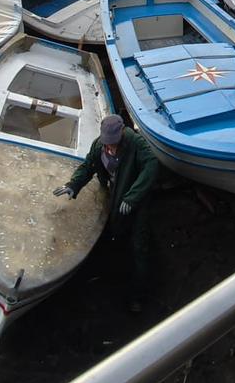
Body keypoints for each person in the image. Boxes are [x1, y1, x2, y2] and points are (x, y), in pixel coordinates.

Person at [53, 114, 158, 312]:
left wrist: (133, 197)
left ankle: (138, 294)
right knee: (115, 233)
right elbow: (88, 166)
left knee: (139, 245)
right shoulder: (98, 145)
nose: (109, 148)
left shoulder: (135, 143)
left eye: (113, 144)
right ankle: (113, 270)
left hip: (134, 200)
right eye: (106, 144)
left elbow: (151, 165)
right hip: (115, 195)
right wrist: (73, 185)